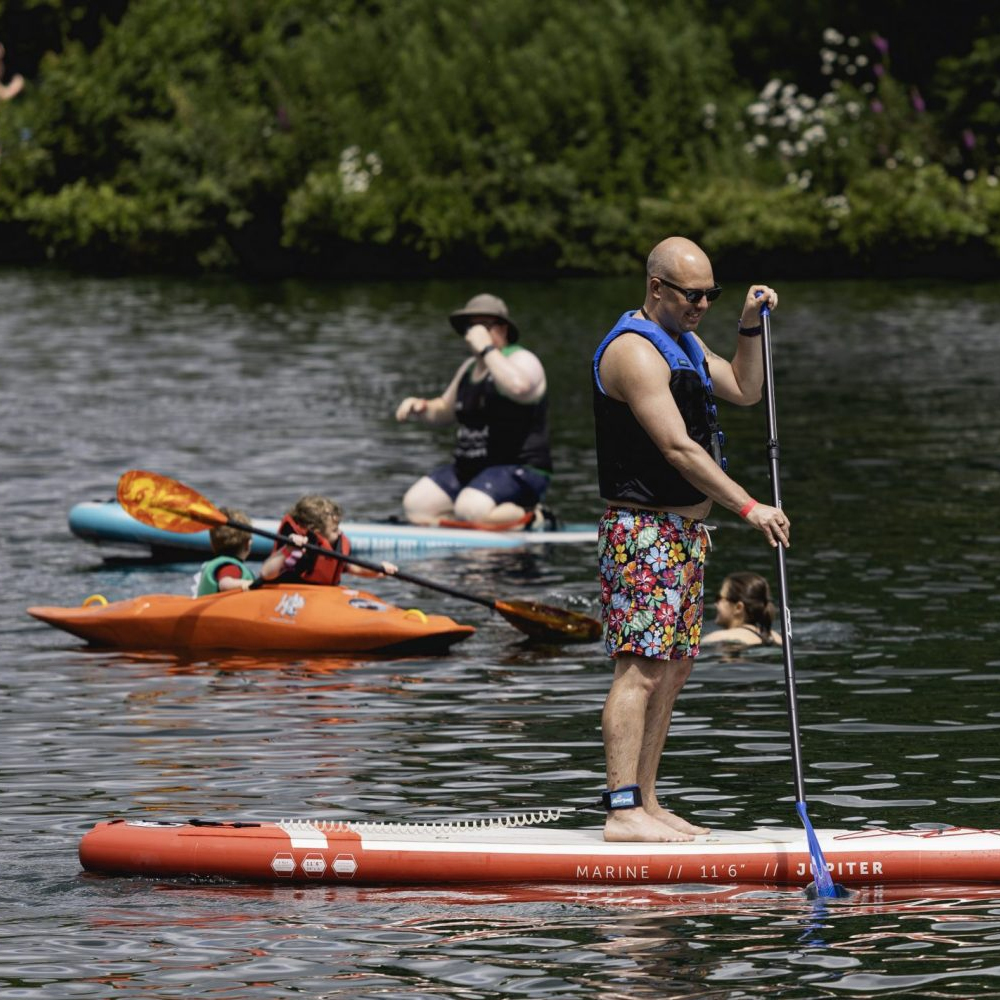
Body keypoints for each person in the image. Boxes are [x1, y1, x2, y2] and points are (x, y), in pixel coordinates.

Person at [593, 235, 791, 844]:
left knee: (673, 669)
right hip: (641, 532)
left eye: (712, 295)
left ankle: (647, 802)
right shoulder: (634, 352)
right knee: (640, 671)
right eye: (692, 294)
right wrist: (749, 505)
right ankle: (622, 808)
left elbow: (745, 389)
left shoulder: (684, 340)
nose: (702, 304)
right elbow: (678, 448)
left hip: (683, 532)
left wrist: (749, 326)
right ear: (656, 288)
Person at [394, 293, 553, 527]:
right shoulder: (468, 368)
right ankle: (469, 525)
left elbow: (519, 387)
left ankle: (534, 515)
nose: (476, 332)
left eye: (485, 325)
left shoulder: (523, 359)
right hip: (470, 468)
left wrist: (487, 349)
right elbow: (444, 410)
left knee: (470, 509)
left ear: (504, 329)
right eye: (472, 326)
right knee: (416, 505)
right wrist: (421, 407)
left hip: (519, 468)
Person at [260, 494, 396, 583]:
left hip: (320, 597)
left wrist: (379, 570)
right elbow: (266, 573)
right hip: (292, 595)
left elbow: (355, 568)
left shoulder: (336, 545)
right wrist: (288, 548)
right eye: (334, 530)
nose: (340, 533)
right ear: (317, 531)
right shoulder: (297, 549)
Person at [701, 571, 782, 646]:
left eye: (719, 598)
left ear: (738, 607)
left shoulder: (719, 637)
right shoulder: (776, 638)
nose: (716, 604)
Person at [194, 508, 255, 595]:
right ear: (248, 545)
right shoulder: (230, 567)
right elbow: (225, 584)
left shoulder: (215, 565)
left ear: (212, 544)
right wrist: (253, 584)